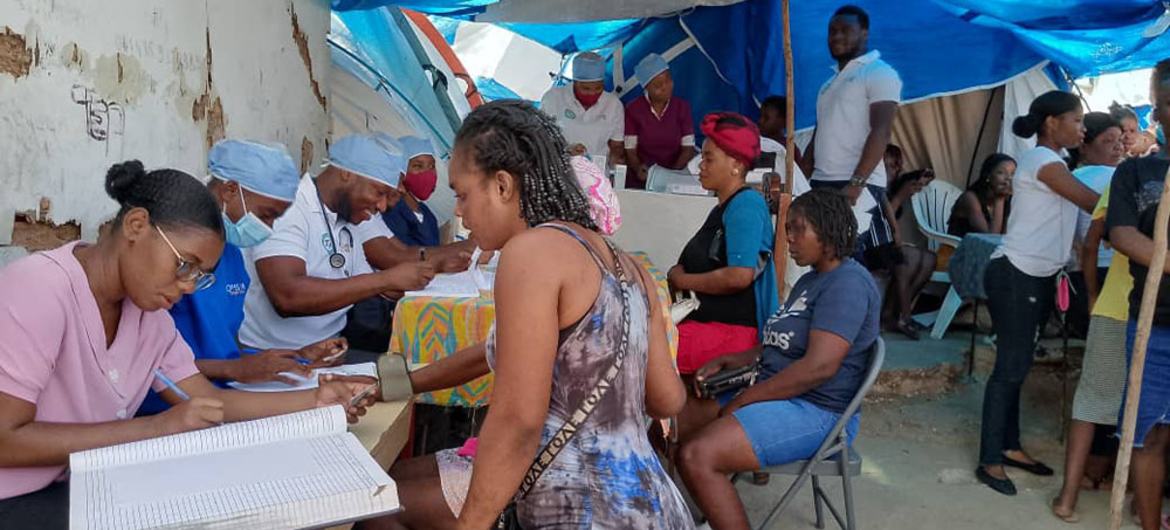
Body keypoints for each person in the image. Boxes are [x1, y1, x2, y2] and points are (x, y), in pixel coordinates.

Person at [357, 100, 691, 530]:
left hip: (578, 509)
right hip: (652, 505)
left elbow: (518, 418)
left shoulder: (530, 253)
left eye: (462, 194)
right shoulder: (629, 266)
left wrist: (472, 523)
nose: (458, 210)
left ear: (502, 186)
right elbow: (666, 399)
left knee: (369, 509)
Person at [0, 161, 372, 528]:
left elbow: (210, 401)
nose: (189, 286)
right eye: (184, 266)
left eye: (199, 276)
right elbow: (5, 440)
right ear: (137, 225)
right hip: (14, 497)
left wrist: (316, 401)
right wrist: (154, 428)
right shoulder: (39, 289)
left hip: (81, 484)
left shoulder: (150, 319)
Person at [674, 189, 880, 530]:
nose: (788, 238)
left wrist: (747, 397)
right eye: (788, 229)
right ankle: (692, 513)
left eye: (798, 229)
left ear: (827, 231)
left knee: (697, 456)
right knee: (667, 424)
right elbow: (780, 343)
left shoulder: (848, 284)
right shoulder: (812, 280)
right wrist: (734, 359)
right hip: (777, 391)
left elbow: (819, 367)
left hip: (817, 409)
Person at [138, 140, 347, 415]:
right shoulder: (167, 260)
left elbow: (222, 347)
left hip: (219, 400)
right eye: (267, 215)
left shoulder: (234, 257)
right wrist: (233, 369)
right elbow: (147, 365)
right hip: (165, 409)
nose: (269, 228)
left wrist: (294, 357)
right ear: (230, 190)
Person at [977, 90, 1099, 496]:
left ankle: (1009, 447)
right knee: (1009, 369)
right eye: (1077, 120)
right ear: (1052, 123)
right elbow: (1092, 202)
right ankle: (990, 459)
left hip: (1035, 276)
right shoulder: (1043, 162)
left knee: (1018, 366)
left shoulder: (1056, 163)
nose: (1082, 128)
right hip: (1017, 275)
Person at [239, 134, 435, 358]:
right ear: (347, 173)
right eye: (379, 192)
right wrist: (387, 278)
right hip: (272, 358)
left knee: (417, 371)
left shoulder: (347, 216)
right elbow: (288, 296)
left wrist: (424, 284)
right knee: (404, 382)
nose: (382, 206)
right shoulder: (290, 207)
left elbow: (369, 286)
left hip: (329, 350)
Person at [1104, 59, 1170, 530]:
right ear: (1158, 111)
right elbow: (1122, 235)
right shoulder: (1136, 175)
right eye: (1168, 102)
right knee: (1149, 434)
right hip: (1156, 326)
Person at [669, 112, 779, 379]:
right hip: (708, 327)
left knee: (641, 348)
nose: (700, 167)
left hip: (732, 335)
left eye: (708, 159)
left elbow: (738, 276)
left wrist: (684, 280)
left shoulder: (746, 205)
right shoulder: (725, 207)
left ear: (736, 165)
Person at [1052, 184, 1133, 523]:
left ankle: (1069, 495)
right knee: (1103, 402)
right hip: (1119, 307)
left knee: (1093, 401)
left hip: (1116, 304)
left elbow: (1092, 240)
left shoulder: (1128, 176)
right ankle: (1072, 493)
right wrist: (1091, 293)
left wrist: (1092, 293)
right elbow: (1096, 239)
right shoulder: (1129, 175)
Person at [801, 5, 901, 277]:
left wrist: (856, 184)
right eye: (832, 31)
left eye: (845, 30)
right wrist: (801, 180)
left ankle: (854, 319)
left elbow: (881, 131)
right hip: (822, 183)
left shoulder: (879, 73)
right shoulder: (828, 84)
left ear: (864, 33)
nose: (836, 36)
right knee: (820, 261)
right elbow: (818, 136)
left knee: (845, 262)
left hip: (856, 184)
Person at [1066, 112, 1125, 339]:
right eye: (1108, 141)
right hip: (1111, 268)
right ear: (1083, 146)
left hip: (1077, 271)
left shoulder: (1069, 176)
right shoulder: (1117, 176)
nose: (1118, 147)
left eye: (1119, 140)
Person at [623, 53, 696, 188]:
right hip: (642, 179)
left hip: (675, 177)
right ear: (646, 88)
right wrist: (638, 167)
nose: (666, 87)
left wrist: (671, 175)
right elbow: (630, 149)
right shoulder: (634, 109)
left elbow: (688, 148)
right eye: (658, 85)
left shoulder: (682, 107)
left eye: (668, 80)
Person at [881, 168, 939, 339]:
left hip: (887, 244)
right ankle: (904, 317)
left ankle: (895, 314)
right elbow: (882, 221)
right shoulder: (874, 189)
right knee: (906, 258)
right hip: (870, 244)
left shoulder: (891, 189)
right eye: (886, 165)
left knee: (929, 259)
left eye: (895, 165)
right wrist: (900, 196)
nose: (890, 170)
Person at [539, 52, 625, 166]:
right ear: (574, 82)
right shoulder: (553, 99)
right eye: (586, 88)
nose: (592, 93)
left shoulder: (613, 104)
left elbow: (616, 145)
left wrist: (616, 162)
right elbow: (540, 139)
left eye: (598, 88)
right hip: (561, 170)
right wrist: (566, 151)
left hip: (597, 175)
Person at [381, 136, 442, 248]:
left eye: (432, 166)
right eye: (418, 166)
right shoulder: (390, 210)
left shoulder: (428, 214)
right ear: (401, 169)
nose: (427, 173)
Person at [947, 153, 1015, 237]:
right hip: (958, 248)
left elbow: (1006, 237)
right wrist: (1000, 198)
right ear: (988, 175)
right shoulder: (970, 199)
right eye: (1001, 173)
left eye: (1013, 174)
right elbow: (990, 238)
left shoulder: (1008, 200)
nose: (1008, 178)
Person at [758, 95, 803, 163]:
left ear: (784, 121)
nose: (760, 121)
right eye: (760, 116)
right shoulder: (755, 143)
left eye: (766, 118)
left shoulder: (789, 148)